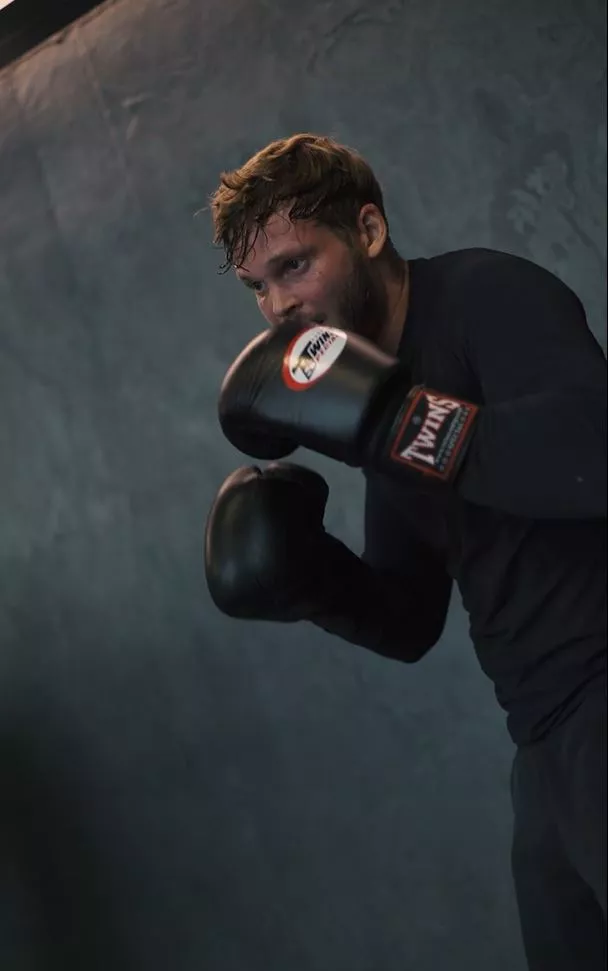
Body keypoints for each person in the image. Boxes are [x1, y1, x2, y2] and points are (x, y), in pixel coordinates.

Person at [204, 133, 607, 969]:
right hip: (541, 741)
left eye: (293, 266)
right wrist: (308, 577)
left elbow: (591, 453)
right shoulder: (373, 393)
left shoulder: (484, 295)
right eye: (257, 286)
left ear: (370, 229)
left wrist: (399, 424)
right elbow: (411, 615)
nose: (278, 305)